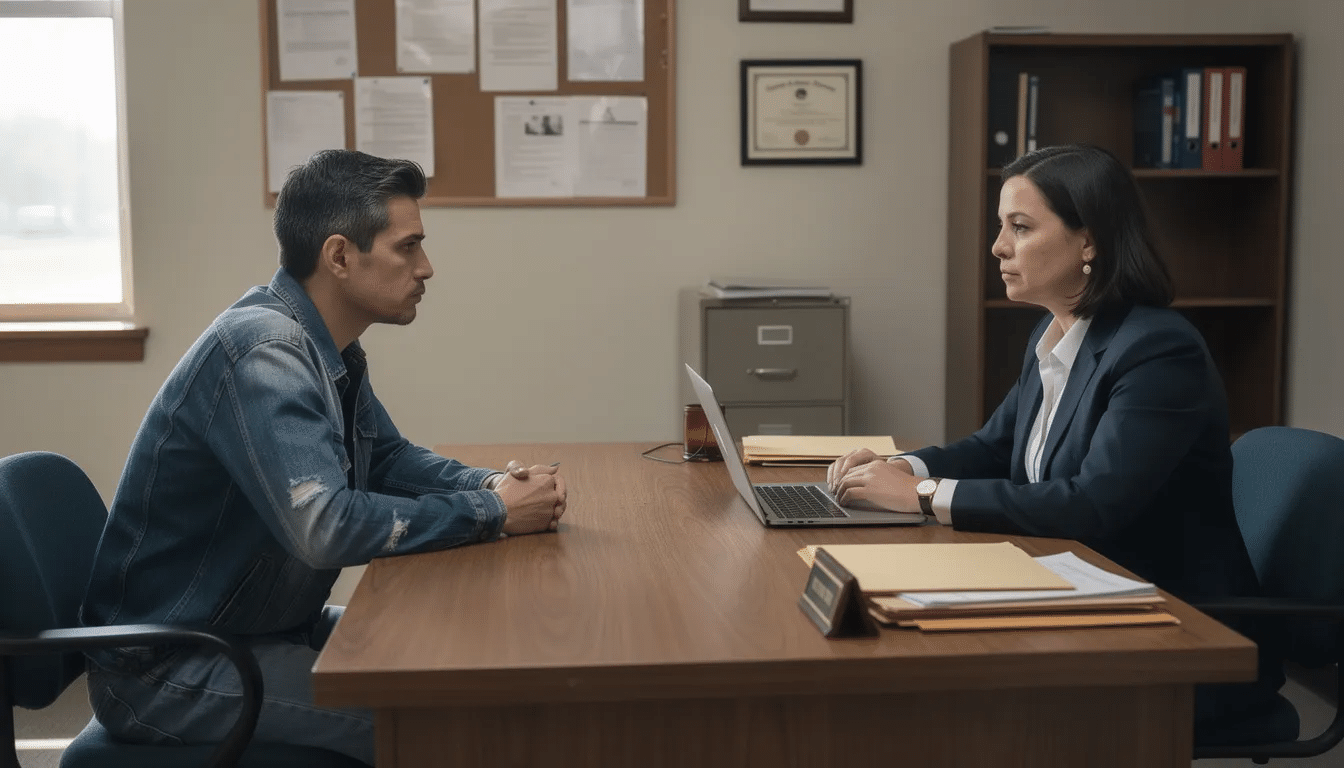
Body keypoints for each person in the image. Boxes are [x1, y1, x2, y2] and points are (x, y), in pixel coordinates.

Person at [79, 149, 566, 765]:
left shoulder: (324, 345)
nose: (427, 268)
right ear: (339, 256)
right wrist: (491, 512)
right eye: (407, 247)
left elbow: (388, 459)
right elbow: (324, 527)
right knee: (429, 729)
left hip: (257, 629)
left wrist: (495, 483)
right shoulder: (265, 353)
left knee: (459, 678)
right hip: (171, 669)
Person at [827, 144, 1283, 743]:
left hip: (1174, 630)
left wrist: (920, 493)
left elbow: (1093, 504)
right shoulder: (1057, 332)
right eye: (1001, 226)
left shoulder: (1156, 350)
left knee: (935, 702)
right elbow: (993, 446)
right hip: (1079, 595)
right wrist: (894, 467)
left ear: (1089, 242)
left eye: (1020, 227)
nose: (998, 247)